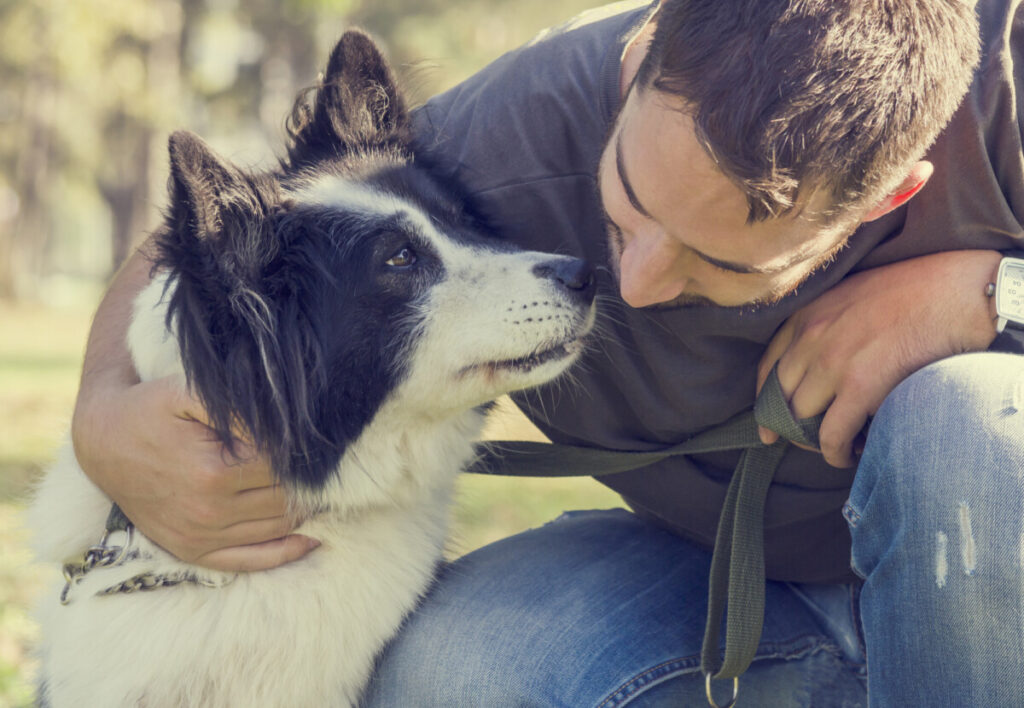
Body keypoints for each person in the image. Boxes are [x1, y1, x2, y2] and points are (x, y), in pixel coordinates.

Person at [71, 0, 1024, 705]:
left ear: (887, 197)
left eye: (717, 262)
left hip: (994, 584)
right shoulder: (516, 123)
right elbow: (250, 222)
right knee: (443, 675)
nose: (637, 283)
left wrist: (982, 293)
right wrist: (101, 414)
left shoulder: (1007, 86)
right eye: (627, 205)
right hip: (734, 594)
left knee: (968, 425)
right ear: (640, 59)